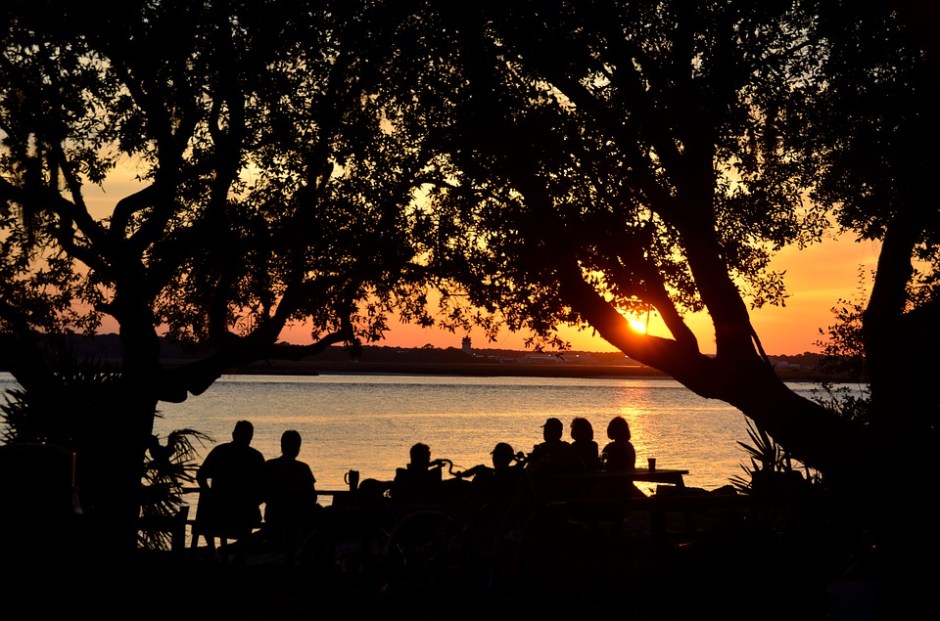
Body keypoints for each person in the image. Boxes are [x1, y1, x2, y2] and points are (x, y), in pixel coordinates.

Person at [193, 420, 266, 549]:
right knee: (247, 515)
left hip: (219, 511)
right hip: (245, 513)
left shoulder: (220, 451)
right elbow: (265, 487)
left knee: (205, 505)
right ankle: (239, 554)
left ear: (233, 435)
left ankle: (212, 551)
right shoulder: (256, 457)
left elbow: (201, 476)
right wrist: (253, 502)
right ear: (250, 437)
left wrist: (209, 493)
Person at [262, 429, 319, 558]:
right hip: (296, 515)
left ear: (282, 446)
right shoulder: (303, 468)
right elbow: (312, 497)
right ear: (298, 449)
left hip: (273, 514)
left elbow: (262, 492)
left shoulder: (269, 465)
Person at [525, 417, 584, 499]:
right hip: (566, 490)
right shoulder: (568, 448)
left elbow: (530, 470)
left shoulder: (541, 448)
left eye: (546, 431)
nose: (544, 433)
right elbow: (580, 467)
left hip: (545, 490)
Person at [455, 441, 528, 504]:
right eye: (495, 456)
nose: (494, 458)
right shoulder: (514, 470)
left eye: (497, 456)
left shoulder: (510, 472)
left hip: (491, 502)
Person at [599, 415, 644, 498]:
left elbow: (599, 462)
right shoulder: (630, 446)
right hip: (627, 483)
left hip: (612, 484)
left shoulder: (610, 447)